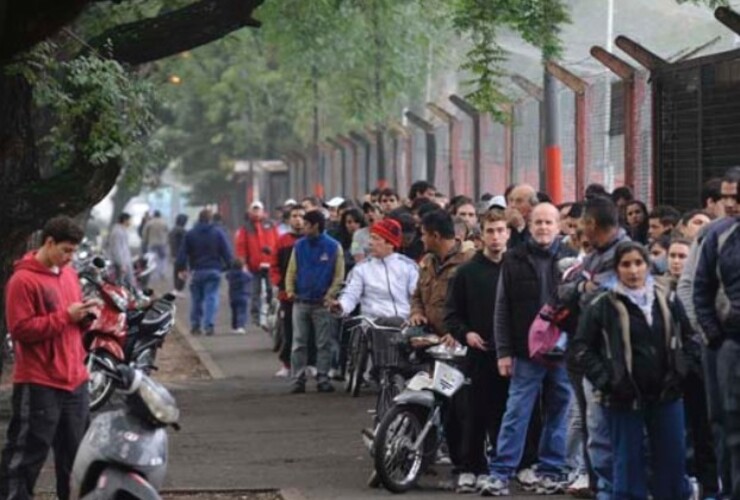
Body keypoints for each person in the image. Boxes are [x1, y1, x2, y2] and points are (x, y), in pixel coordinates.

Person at [570, 241, 694, 499]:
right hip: (623, 397)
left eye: (638, 263)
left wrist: (682, 371)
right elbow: (582, 347)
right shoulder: (603, 304)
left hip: (666, 393)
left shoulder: (666, 298)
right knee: (627, 464)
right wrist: (606, 380)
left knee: (672, 460)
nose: (633, 270)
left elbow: (689, 336)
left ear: (648, 265)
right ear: (616, 269)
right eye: (626, 264)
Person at [481, 203, 574, 496]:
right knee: (517, 411)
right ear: (529, 226)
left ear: (559, 226)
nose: (544, 227)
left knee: (561, 411)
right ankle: (501, 471)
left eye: (549, 222)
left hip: (564, 352)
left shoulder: (573, 261)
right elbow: (502, 308)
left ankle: (552, 468)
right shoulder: (514, 259)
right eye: (538, 222)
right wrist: (503, 352)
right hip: (524, 352)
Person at [0, 216, 91, 500]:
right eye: (66, 250)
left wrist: (86, 317)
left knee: (76, 459)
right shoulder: (22, 281)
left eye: (74, 251)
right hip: (39, 382)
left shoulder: (70, 275)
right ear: (48, 242)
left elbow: (71, 322)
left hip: (75, 380)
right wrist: (66, 316)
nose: (70, 257)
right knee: (26, 456)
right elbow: (21, 329)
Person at [558, 196, 630, 499]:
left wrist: (585, 289)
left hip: (610, 351)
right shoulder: (595, 255)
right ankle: (599, 484)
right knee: (591, 423)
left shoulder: (623, 255)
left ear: (593, 225)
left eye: (584, 226)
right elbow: (566, 290)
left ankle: (613, 486)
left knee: (603, 425)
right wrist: (582, 288)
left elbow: (600, 298)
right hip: (583, 347)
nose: (581, 234)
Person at [444, 209, 511, 493]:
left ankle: (499, 469)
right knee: (473, 413)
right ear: (480, 236)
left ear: (508, 233)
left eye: (500, 230)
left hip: (509, 356)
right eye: (490, 231)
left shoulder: (515, 269)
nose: (495, 237)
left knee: (505, 414)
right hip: (477, 355)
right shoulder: (466, 273)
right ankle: (470, 467)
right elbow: (452, 314)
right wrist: (466, 333)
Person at [409, 209, 474, 488]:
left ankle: (465, 465)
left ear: (435, 235)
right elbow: (416, 296)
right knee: (436, 402)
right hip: (434, 346)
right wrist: (417, 314)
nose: (420, 238)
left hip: (459, 348)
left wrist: (457, 333)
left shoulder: (470, 263)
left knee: (461, 409)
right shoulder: (427, 262)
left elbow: (474, 306)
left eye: (423, 233)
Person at [693, 171, 740, 497]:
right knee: (725, 424)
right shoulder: (716, 235)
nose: (730, 204)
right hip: (726, 343)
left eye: (736, 197)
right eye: (726, 197)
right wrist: (713, 334)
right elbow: (700, 288)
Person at [665, 237, 719, 498]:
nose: (677, 262)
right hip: (669, 371)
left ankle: (709, 486)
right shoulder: (658, 288)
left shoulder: (705, 287)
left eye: (682, 256)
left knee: (704, 431)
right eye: (672, 256)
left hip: (700, 364)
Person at [285, 210, 344, 393]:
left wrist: (330, 294)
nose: (303, 227)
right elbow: (291, 270)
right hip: (301, 301)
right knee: (299, 342)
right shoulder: (299, 246)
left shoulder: (333, 247)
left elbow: (338, 275)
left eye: (307, 224)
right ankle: (298, 378)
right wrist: (290, 291)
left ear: (316, 226)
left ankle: (323, 377)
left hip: (322, 303)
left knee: (323, 343)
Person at [330, 219, 418, 319]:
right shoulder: (361, 268)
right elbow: (351, 294)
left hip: (404, 324)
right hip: (373, 326)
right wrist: (341, 306)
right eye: (370, 238)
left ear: (390, 244)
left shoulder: (409, 266)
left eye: (376, 239)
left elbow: (416, 297)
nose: (370, 243)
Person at [271, 205, 314, 378]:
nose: (298, 219)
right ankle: (287, 364)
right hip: (287, 294)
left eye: (301, 216)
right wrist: (279, 284)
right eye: (294, 216)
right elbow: (274, 265)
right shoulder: (282, 241)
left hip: (309, 293)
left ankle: (312, 363)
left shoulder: (312, 239)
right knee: (288, 330)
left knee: (310, 331)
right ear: (289, 219)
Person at [176, 209, 233, 336]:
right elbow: (227, 252)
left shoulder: (190, 234)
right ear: (210, 219)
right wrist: (230, 266)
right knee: (211, 297)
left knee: (196, 299)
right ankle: (209, 325)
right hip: (214, 270)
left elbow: (182, 254)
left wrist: (182, 268)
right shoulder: (218, 233)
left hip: (197, 271)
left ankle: (195, 325)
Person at [234, 201, 279, 327]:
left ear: (262, 210)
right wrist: (243, 263)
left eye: (258, 209)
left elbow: (277, 242)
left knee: (271, 290)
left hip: (271, 264)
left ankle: (270, 312)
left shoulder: (271, 225)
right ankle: (256, 316)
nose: (256, 212)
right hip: (254, 266)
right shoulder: (246, 228)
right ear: (250, 211)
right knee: (255, 292)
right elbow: (241, 247)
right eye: (254, 210)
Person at [505, 183, 538, 248]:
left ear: (532, 205)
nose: (513, 205)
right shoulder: (505, 224)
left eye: (519, 201)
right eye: (511, 200)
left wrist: (520, 227)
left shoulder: (539, 225)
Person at [142, 210, 169, 282]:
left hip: (152, 243)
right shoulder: (164, 222)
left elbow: (144, 233)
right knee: (162, 259)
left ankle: (152, 274)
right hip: (162, 243)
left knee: (151, 259)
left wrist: (145, 241)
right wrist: (166, 241)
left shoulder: (149, 223)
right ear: (160, 215)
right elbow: (167, 232)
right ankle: (162, 273)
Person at [226, 258, 252, 335]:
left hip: (232, 296)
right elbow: (250, 277)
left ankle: (234, 327)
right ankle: (241, 326)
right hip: (243, 295)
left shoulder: (230, 274)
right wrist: (245, 270)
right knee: (242, 312)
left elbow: (226, 276)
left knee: (234, 312)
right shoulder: (244, 274)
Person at [107, 212, 134, 285]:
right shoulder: (117, 231)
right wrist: (121, 264)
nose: (131, 222)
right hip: (120, 263)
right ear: (125, 220)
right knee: (121, 284)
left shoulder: (122, 230)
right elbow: (117, 249)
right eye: (130, 220)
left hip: (125, 262)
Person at [169, 213, 188, 296]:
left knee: (176, 271)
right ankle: (179, 288)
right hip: (182, 255)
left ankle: (176, 288)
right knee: (183, 271)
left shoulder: (172, 230)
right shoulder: (183, 231)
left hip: (174, 254)